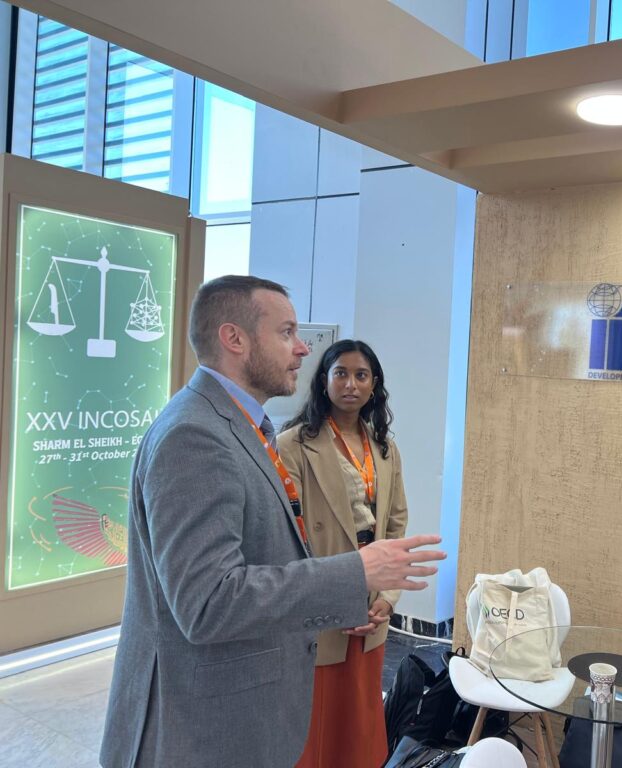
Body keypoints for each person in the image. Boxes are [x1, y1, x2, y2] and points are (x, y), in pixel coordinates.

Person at [99, 276, 444, 768]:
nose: (303, 348)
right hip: (199, 728)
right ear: (234, 339)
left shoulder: (241, 426)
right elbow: (208, 603)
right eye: (286, 332)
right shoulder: (194, 436)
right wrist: (356, 573)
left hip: (245, 707)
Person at [278, 340, 406, 768]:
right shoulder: (293, 445)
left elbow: (396, 526)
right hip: (323, 595)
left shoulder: (384, 448)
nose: (351, 384)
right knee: (317, 723)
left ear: (374, 385)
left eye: (361, 375)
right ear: (323, 380)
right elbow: (288, 535)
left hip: (373, 596)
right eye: (341, 373)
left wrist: (387, 597)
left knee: (360, 719)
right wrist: (335, 600)